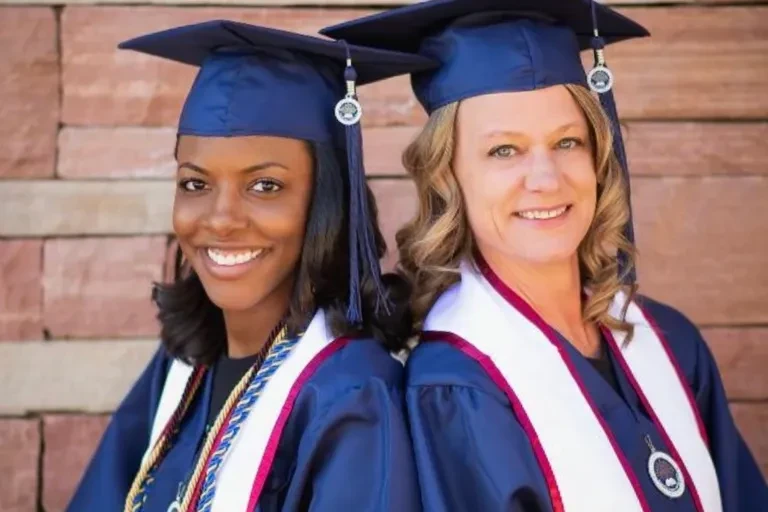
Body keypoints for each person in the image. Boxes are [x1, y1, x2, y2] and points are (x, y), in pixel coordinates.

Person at [322, 1, 768, 511]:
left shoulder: (671, 343)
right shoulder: (458, 389)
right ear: (450, 179)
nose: (546, 179)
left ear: (599, 157)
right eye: (503, 151)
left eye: (567, 142)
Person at [67, 19, 434, 512]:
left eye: (265, 186)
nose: (221, 219)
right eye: (195, 184)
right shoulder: (183, 367)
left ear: (326, 201)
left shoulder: (351, 396)